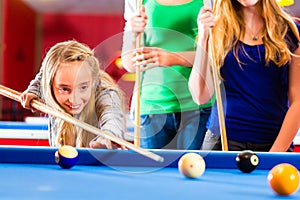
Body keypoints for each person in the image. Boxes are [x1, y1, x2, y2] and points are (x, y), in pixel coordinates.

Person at [189, 0, 300, 152]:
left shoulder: (291, 31)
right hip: (222, 140)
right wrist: (203, 37)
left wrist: (275, 153)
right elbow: (200, 96)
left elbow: (298, 103)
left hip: (274, 141)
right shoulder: (217, 29)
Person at [121, 0, 214, 150]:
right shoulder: (137, 1)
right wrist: (133, 32)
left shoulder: (211, 2)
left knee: (194, 171)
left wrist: (173, 57)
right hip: (151, 107)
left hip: (198, 107)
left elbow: (219, 56)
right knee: (153, 172)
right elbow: (129, 64)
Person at [21, 40, 126, 149]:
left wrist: (109, 135)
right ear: (50, 85)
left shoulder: (106, 94)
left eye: (83, 87)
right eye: (65, 89)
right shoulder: (50, 81)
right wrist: (34, 90)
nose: (74, 100)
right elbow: (45, 73)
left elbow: (112, 116)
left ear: (94, 82)